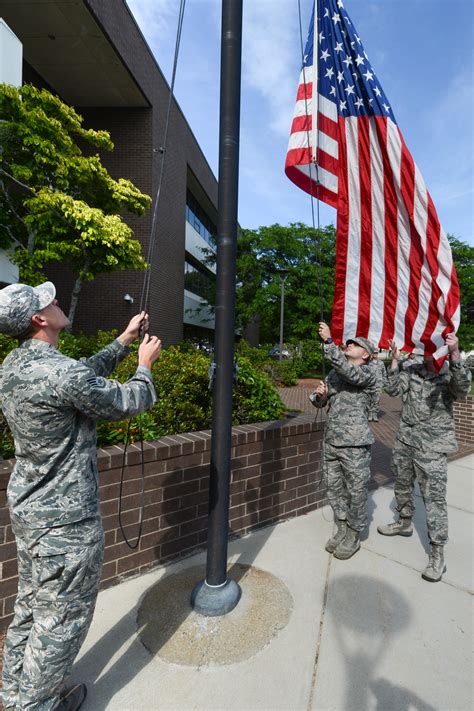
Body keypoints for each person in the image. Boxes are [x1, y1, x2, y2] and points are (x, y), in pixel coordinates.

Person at [0, 282, 162, 711]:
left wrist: (123, 342)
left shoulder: (15, 365)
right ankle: (35, 705)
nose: (55, 303)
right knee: (61, 621)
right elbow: (129, 399)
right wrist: (144, 366)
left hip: (31, 511)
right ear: (39, 319)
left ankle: (13, 693)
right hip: (65, 524)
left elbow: (77, 378)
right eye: (48, 302)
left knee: (31, 608)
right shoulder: (60, 373)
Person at [377, 334, 471, 582]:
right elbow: (392, 388)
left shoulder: (450, 372)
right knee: (401, 484)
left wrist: (455, 353)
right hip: (406, 440)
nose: (424, 350)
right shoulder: (412, 369)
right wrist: (395, 362)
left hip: (432, 445)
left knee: (434, 499)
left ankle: (438, 553)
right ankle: (404, 521)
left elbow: (462, 390)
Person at [311, 322, 377, 559]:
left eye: (355, 344)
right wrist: (320, 396)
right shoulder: (335, 373)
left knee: (356, 491)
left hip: (355, 445)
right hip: (331, 441)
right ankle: (342, 526)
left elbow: (351, 375)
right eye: (348, 342)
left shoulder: (369, 371)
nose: (349, 344)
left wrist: (329, 343)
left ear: (366, 354)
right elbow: (319, 400)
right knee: (334, 488)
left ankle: (354, 533)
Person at [368, 350, 388, 422]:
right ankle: (370, 413)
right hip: (370, 385)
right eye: (374, 353)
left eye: (376, 353)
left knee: (377, 400)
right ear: (372, 354)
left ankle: (375, 414)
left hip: (379, 384)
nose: (375, 354)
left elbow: (384, 373)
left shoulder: (381, 363)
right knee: (370, 400)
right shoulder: (368, 363)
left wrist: (385, 384)